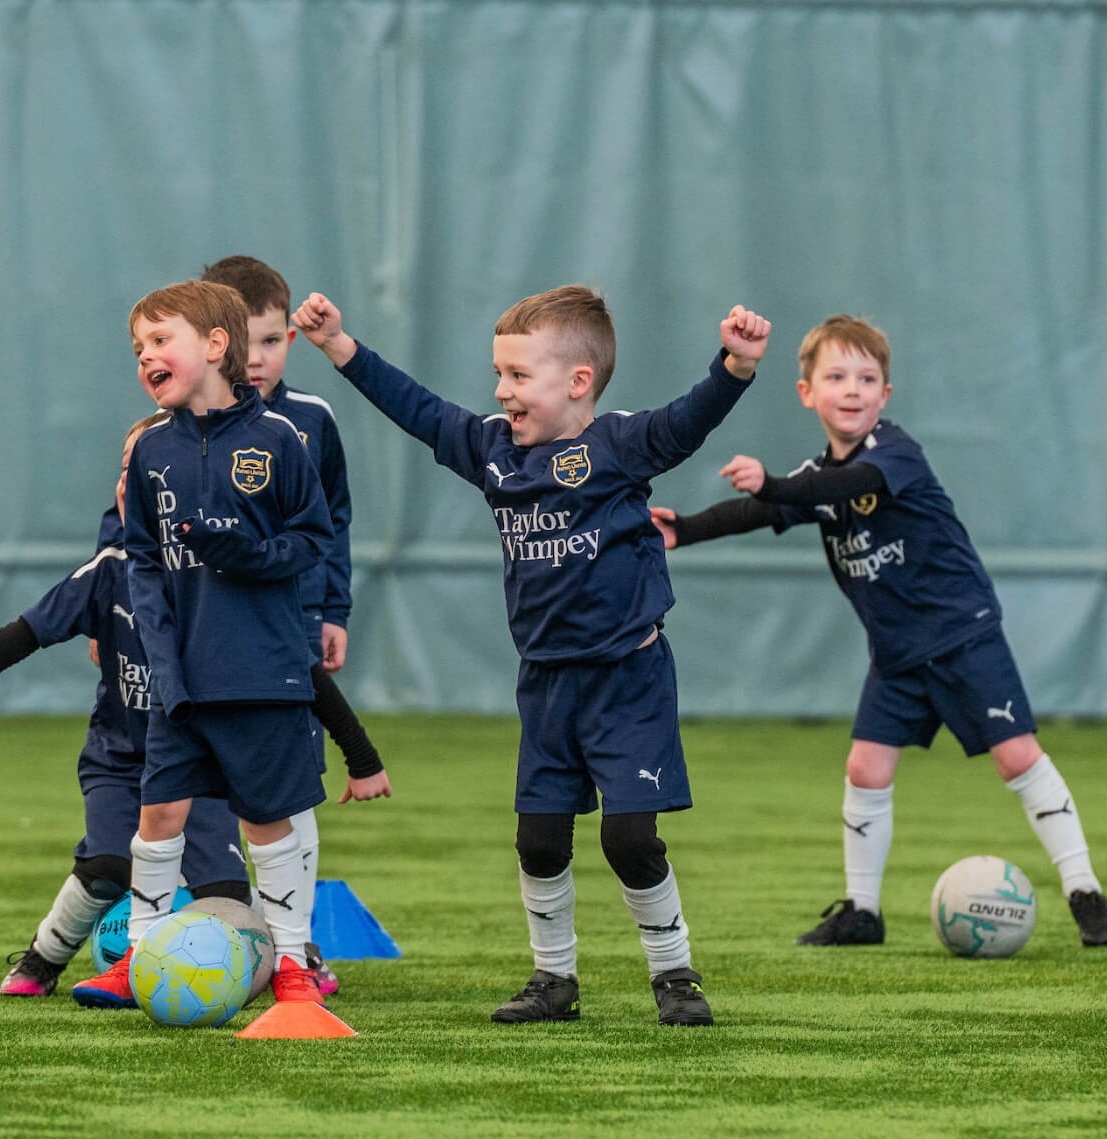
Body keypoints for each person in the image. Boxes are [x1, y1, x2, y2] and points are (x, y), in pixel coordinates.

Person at [294, 284, 773, 1026]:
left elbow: (687, 422)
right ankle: (554, 981)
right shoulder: (493, 450)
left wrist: (734, 368)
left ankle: (675, 977)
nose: (501, 391)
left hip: (629, 680)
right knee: (539, 840)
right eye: (499, 374)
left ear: (577, 382)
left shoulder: (617, 444)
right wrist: (338, 347)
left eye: (518, 376)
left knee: (629, 838)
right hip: (547, 685)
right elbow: (419, 410)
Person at [649, 314, 1107, 948]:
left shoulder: (893, 454)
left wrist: (778, 482)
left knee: (1018, 757)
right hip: (897, 655)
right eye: (837, 376)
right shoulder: (813, 473)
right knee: (866, 769)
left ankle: (1084, 890)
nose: (853, 389)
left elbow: (846, 485)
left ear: (886, 395)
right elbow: (759, 509)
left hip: (963, 636)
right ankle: (862, 912)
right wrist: (684, 526)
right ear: (806, 392)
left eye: (868, 378)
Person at [0, 416, 251, 999]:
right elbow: (20, 635)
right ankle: (43, 959)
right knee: (110, 863)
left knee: (227, 897)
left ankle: (283, 961)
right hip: (121, 759)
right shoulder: (108, 572)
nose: (136, 485)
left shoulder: (222, 578)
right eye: (127, 474)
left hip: (201, 770)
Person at [73, 279, 336, 1010]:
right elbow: (144, 566)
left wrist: (244, 551)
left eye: (161, 341)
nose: (145, 357)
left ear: (216, 347)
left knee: (265, 820)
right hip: (179, 678)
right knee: (159, 815)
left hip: (260, 672)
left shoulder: (280, 440)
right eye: (138, 349)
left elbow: (312, 540)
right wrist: (161, 659)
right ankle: (140, 958)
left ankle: (291, 970)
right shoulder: (151, 451)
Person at [201, 254, 371, 996]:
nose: (257, 359)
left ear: (289, 342)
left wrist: (332, 610)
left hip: (289, 630)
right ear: (211, 344)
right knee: (189, 793)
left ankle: (294, 951)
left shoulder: (311, 422)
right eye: (244, 344)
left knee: (293, 788)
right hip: (202, 634)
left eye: (271, 341)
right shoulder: (175, 424)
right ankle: (151, 937)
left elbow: (333, 522)